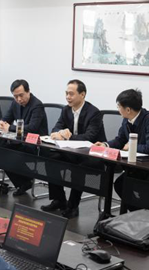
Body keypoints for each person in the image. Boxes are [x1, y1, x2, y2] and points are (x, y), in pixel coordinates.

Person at [42, 80, 106, 218]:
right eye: (66, 93)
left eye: (71, 94)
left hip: (91, 155)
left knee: (79, 168)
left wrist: (68, 137)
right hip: (72, 152)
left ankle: (73, 206)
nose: (68, 97)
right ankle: (59, 199)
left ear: (82, 94)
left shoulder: (94, 113)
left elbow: (89, 137)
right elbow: (56, 128)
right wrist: (59, 133)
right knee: (50, 158)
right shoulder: (66, 110)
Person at [95, 89, 149, 198]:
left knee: (138, 189)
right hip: (137, 165)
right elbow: (120, 140)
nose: (118, 109)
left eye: (119, 106)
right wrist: (105, 145)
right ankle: (134, 208)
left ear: (128, 110)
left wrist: (131, 147)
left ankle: (140, 208)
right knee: (120, 185)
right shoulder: (126, 120)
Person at [0, 79, 48, 196]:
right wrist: (1, 123)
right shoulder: (15, 103)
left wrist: (10, 127)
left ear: (28, 91)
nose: (19, 99)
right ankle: (23, 182)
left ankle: (25, 181)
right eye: (15, 96)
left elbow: (32, 128)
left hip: (35, 144)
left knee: (10, 153)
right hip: (20, 141)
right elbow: (6, 119)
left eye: (21, 95)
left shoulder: (37, 105)